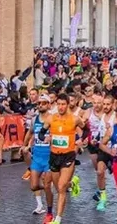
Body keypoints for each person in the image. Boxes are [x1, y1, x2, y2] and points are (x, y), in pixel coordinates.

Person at [38, 93, 84, 224]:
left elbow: (86, 130)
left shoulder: (75, 119)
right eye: (58, 104)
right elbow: (41, 133)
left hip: (68, 156)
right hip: (54, 156)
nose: (61, 107)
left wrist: (80, 140)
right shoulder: (50, 119)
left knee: (61, 187)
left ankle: (57, 219)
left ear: (68, 105)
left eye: (63, 104)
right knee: (59, 187)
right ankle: (73, 183)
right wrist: (45, 138)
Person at [22, 94, 54, 219]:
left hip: (50, 157)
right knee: (34, 186)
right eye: (39, 103)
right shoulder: (35, 119)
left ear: (49, 104)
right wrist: (24, 145)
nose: (40, 105)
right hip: (37, 156)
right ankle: (50, 188)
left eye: (43, 103)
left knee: (46, 185)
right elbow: (29, 133)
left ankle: (50, 212)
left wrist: (50, 138)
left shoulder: (53, 119)